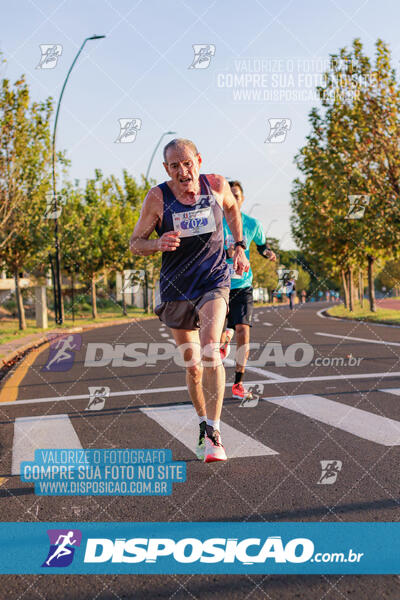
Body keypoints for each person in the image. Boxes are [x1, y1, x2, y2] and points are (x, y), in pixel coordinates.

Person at [129, 139, 249, 463]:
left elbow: (233, 209)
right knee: (194, 366)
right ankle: (201, 424)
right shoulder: (158, 198)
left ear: (198, 159)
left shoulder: (217, 185)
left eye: (187, 163)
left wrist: (239, 245)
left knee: (211, 349)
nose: (183, 171)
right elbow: (135, 242)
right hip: (177, 288)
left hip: (213, 280)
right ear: (166, 169)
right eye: (174, 166)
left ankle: (214, 432)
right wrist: (157, 244)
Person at [220, 181, 276, 400]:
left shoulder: (252, 224)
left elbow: (262, 246)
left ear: (242, 199)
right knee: (214, 332)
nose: (233, 198)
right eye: (230, 195)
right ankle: (224, 338)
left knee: (244, 331)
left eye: (237, 195)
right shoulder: (216, 223)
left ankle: (238, 384)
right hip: (218, 285)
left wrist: (268, 253)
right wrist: (228, 252)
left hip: (243, 285)